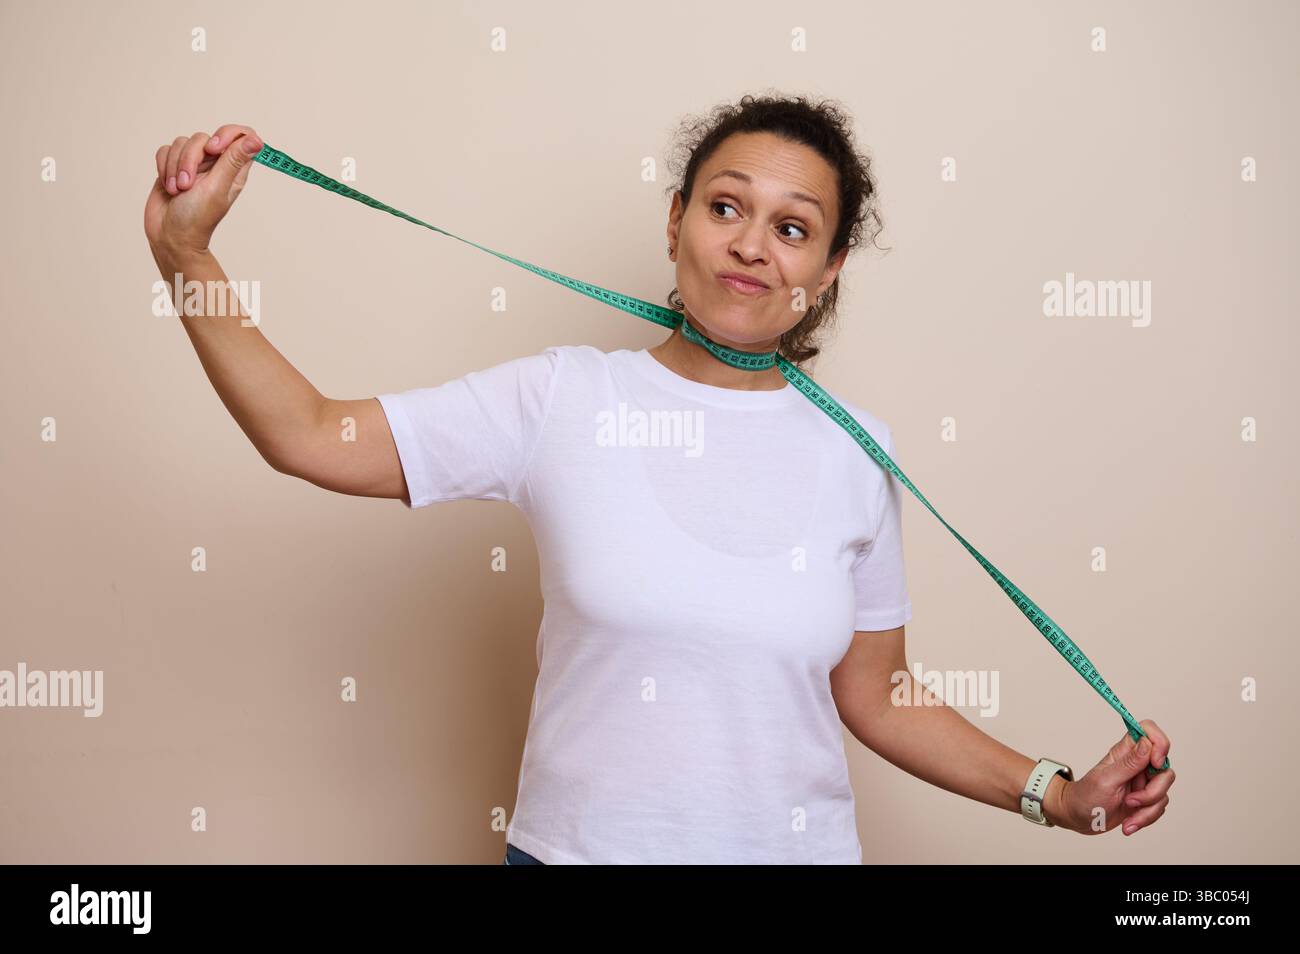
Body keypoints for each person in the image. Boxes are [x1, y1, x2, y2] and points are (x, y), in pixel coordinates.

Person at [144, 93, 1175, 865]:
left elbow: (880, 694)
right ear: (676, 220)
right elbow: (312, 433)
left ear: (827, 271)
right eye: (727, 206)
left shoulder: (857, 448)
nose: (751, 245)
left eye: (792, 226)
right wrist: (187, 255)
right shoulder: (558, 400)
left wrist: (1057, 792)